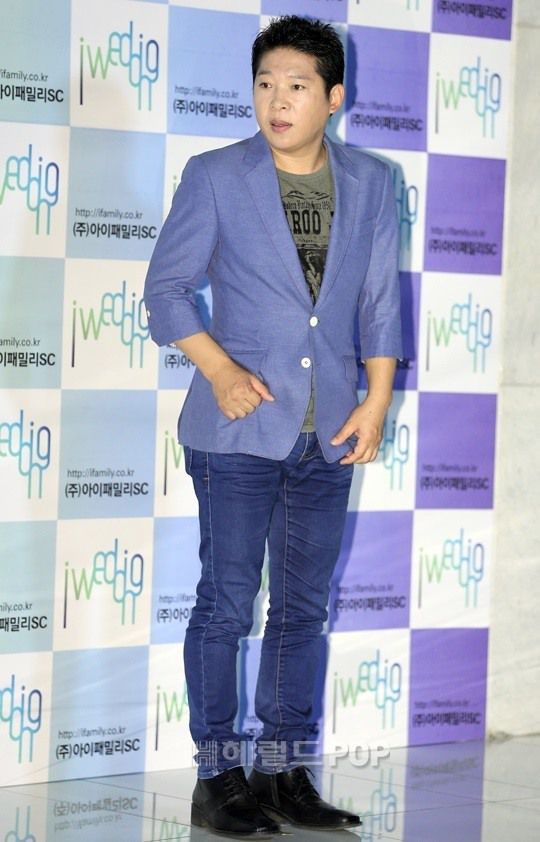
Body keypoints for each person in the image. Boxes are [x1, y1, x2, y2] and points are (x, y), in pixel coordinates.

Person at [144, 15, 402, 836]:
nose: (277, 100)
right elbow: (166, 291)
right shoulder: (218, 175)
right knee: (227, 605)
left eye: (296, 86)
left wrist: (376, 399)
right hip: (237, 432)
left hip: (330, 431)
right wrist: (220, 371)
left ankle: (283, 771)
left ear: (333, 97)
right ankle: (218, 775)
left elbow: (379, 302)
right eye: (264, 84)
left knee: (300, 610)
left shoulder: (373, 180)